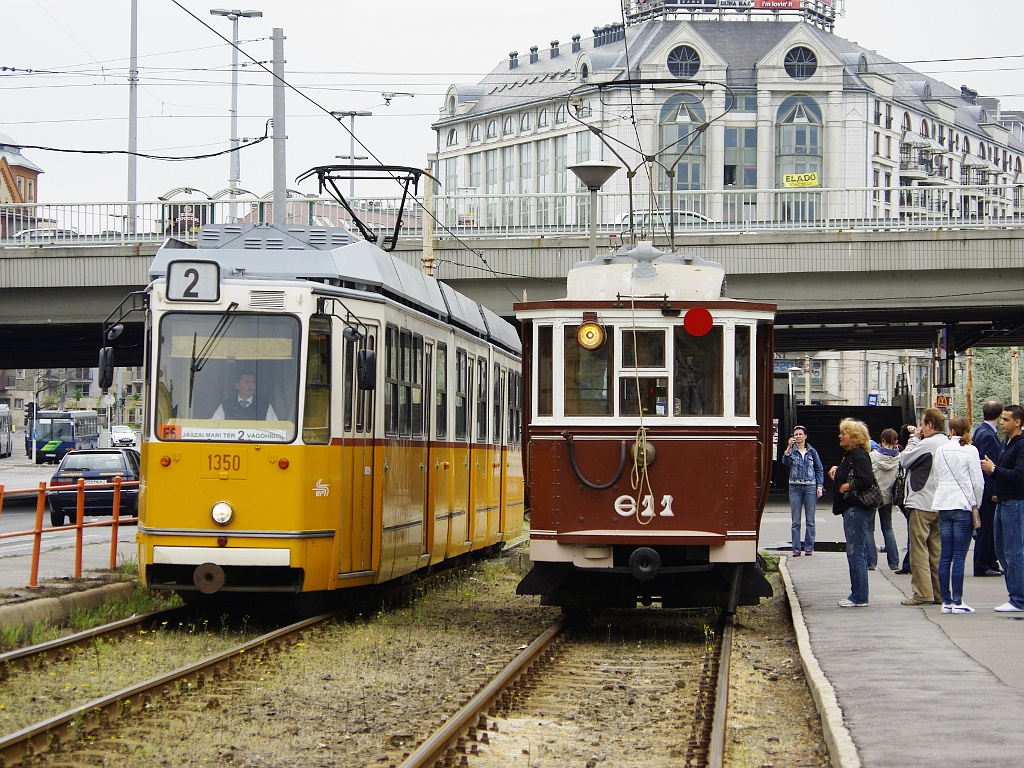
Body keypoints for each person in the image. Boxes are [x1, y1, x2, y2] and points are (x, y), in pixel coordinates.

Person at [932, 417, 984, 613]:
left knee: (945, 554)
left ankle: (945, 601)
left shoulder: (941, 450)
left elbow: (936, 477)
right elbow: (978, 482)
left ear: (951, 430)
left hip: (943, 504)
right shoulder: (971, 450)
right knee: (960, 556)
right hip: (962, 505)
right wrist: (976, 504)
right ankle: (958, 600)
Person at [898, 408, 948, 606]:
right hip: (941, 503)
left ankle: (922, 593)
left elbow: (904, 460)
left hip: (921, 502)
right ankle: (940, 593)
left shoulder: (927, 443)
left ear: (929, 425)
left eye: (922, 424)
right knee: (937, 552)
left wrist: (914, 439)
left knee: (919, 549)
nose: (920, 428)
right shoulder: (948, 443)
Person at [829, 419, 877, 608]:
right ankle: (858, 594)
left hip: (856, 509)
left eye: (844, 433)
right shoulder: (852, 455)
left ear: (854, 437)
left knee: (855, 551)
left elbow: (866, 479)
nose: (840, 436)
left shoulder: (858, 456)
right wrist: (837, 469)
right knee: (856, 551)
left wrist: (846, 487)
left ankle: (859, 596)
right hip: (853, 509)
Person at [981, 404, 1024, 613]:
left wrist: (995, 470)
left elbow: (1019, 475)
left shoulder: (1021, 445)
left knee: (1014, 551)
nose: (1002, 422)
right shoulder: (1006, 443)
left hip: (1016, 503)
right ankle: (1015, 595)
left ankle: (1018, 599)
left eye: (1006, 419)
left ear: (1018, 422)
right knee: (1002, 550)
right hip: (1003, 501)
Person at [972, 399, 1005, 577]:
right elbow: (988, 466)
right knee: (985, 530)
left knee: (987, 529)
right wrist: (993, 491)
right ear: (999, 416)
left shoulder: (979, 431)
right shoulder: (988, 436)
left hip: (983, 488)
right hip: (987, 490)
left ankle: (990, 561)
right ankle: (982, 564)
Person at [781, 425, 824, 557]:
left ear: (805, 436)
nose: (798, 436)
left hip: (810, 486)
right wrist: (788, 447)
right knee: (796, 521)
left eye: (800, 434)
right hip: (795, 487)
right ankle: (796, 548)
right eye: (796, 435)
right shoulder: (792, 452)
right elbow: (785, 461)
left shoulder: (812, 452)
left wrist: (819, 486)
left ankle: (809, 547)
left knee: (810, 519)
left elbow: (819, 469)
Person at [869, 428, 902, 571]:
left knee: (869, 529)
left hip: (872, 496)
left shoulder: (873, 456)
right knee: (887, 527)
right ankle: (894, 561)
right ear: (895, 442)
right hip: (888, 497)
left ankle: (871, 562)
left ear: (882, 440)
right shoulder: (899, 458)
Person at [211, 371, 278, 421]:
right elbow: (214, 424)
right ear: (237, 386)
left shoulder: (264, 404)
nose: (251, 386)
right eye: (247, 382)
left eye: (253, 382)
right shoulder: (227, 404)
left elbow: (274, 426)